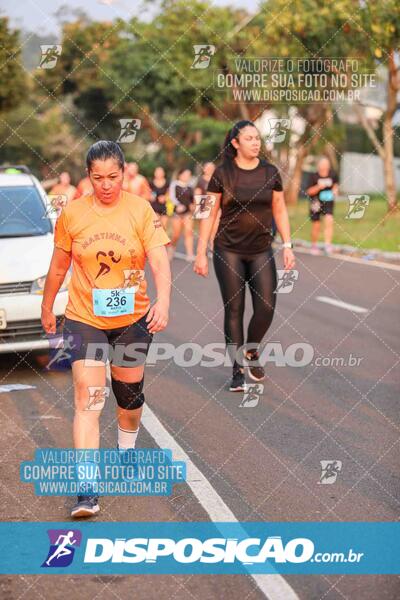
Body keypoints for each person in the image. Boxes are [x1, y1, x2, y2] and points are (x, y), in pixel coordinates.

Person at [41, 141, 171, 518]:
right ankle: (86, 491)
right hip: (85, 319)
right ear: (88, 176)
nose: (106, 185)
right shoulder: (74, 214)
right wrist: (48, 305)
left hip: (132, 319)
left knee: (128, 398)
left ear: (124, 173)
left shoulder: (140, 210)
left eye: (113, 177)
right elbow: (58, 265)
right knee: (89, 397)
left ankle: (126, 450)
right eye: (98, 178)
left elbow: (159, 260)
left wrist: (163, 300)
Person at [194, 120, 295, 391]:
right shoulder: (222, 173)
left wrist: (287, 245)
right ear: (235, 143)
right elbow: (209, 212)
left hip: (261, 249)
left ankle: (252, 350)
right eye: (249, 138)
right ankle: (237, 369)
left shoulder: (270, 172)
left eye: (257, 138)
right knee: (235, 309)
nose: (255, 142)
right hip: (228, 250)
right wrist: (201, 251)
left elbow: (280, 209)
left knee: (266, 307)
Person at [306, 157, 339, 255]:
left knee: (329, 220)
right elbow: (308, 191)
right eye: (323, 164)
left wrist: (335, 190)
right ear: (319, 166)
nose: (325, 166)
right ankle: (314, 245)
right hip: (316, 203)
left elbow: (336, 185)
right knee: (316, 225)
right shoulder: (313, 176)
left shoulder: (333, 174)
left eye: (327, 164)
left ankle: (328, 245)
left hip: (328, 202)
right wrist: (318, 187)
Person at [169, 168, 195, 261]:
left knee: (189, 233)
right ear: (180, 175)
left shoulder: (190, 186)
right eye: (185, 174)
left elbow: (192, 199)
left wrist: (193, 205)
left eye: (189, 175)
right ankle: (171, 250)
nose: (187, 176)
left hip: (188, 213)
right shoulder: (174, 184)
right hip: (177, 213)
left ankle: (190, 254)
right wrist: (178, 205)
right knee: (176, 234)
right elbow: (172, 197)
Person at [195, 162, 218, 254]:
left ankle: (213, 248)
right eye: (207, 167)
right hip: (204, 206)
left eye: (212, 167)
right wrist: (197, 208)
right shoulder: (200, 180)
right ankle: (201, 250)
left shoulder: (217, 179)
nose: (210, 169)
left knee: (215, 229)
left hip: (216, 207)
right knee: (204, 230)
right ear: (204, 169)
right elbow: (197, 194)